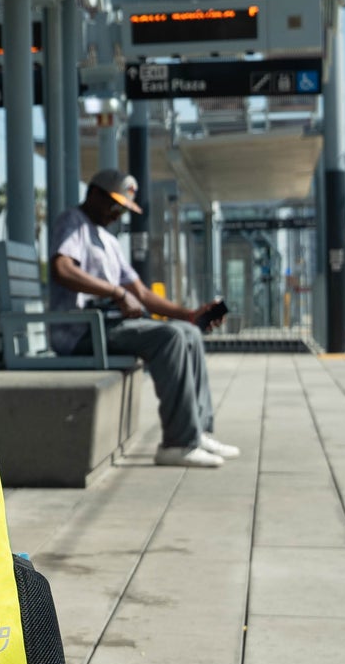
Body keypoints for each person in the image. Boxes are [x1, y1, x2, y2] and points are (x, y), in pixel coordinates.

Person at [48, 170, 239, 470]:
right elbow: (62, 269)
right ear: (94, 194)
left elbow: (142, 293)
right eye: (115, 205)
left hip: (107, 326)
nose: (118, 214)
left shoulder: (109, 241)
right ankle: (177, 445)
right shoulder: (72, 222)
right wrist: (116, 292)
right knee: (170, 338)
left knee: (187, 332)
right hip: (80, 332)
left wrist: (189, 315)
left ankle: (196, 432)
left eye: (123, 209)